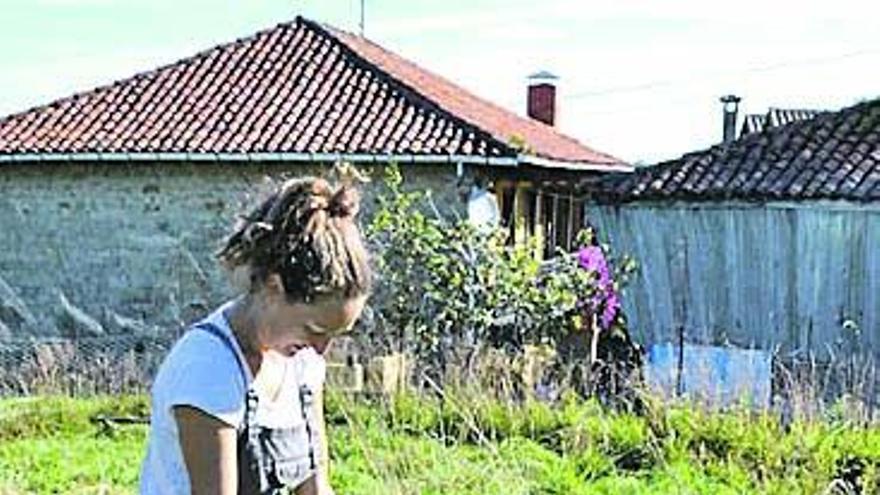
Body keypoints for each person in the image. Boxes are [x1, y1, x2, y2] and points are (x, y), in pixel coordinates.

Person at [140, 168, 371, 495]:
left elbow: (316, 489)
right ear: (274, 287)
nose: (321, 350)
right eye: (314, 329)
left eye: (335, 334)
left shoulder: (302, 363)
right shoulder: (208, 368)